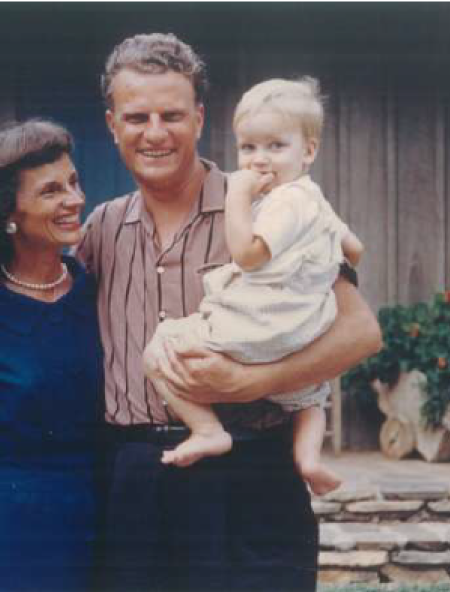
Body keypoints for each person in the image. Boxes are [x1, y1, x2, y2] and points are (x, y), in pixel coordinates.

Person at [0, 34, 381, 592]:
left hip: (252, 475)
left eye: (173, 115)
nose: (156, 133)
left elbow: (360, 331)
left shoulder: (269, 208)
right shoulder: (98, 234)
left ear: (200, 118)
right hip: (133, 484)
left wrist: (249, 381)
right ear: (113, 125)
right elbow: (23, 310)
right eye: (138, 117)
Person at [142, 77, 363, 497]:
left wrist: (237, 197)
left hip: (252, 328)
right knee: (308, 399)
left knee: (159, 347)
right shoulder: (317, 201)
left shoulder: (283, 202)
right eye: (249, 148)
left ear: (309, 151)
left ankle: (207, 429)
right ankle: (309, 458)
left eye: (275, 147)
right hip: (298, 333)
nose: (260, 160)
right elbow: (355, 248)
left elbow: (246, 254)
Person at [0, 119, 103, 591]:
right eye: (51, 191)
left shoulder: (97, 290)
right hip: (12, 541)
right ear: (7, 213)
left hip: (106, 529)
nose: (74, 199)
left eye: (73, 182)